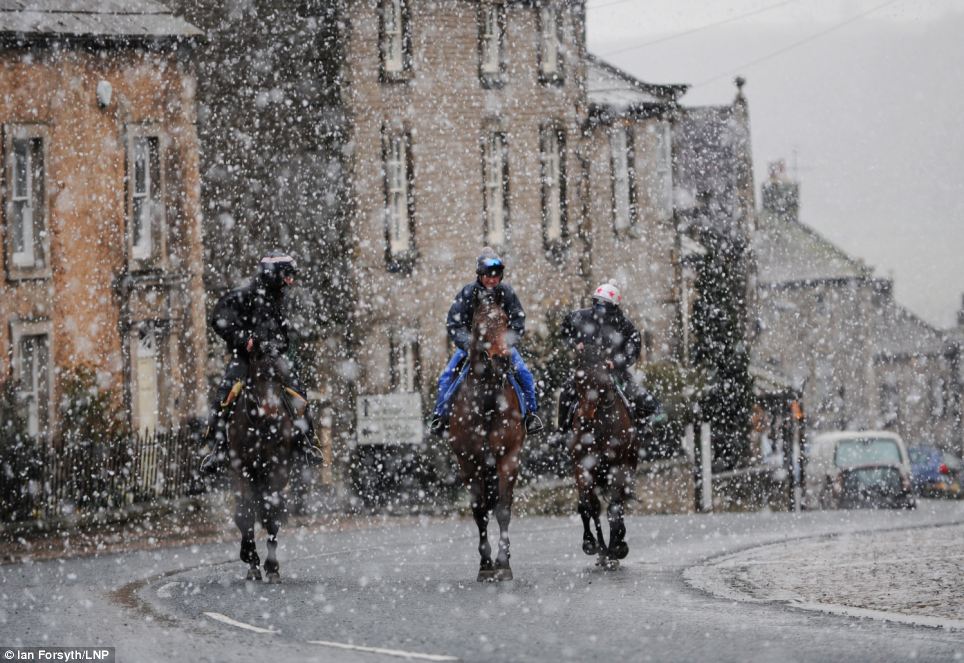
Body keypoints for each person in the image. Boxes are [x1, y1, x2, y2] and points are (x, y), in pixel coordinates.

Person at [199, 251, 325, 475]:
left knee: (299, 394)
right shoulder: (244, 294)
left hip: (274, 359)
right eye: (287, 275)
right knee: (224, 393)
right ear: (274, 274)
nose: (291, 281)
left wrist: (279, 344)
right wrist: (243, 339)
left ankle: (306, 444)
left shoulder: (282, 298)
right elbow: (219, 318)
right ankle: (217, 450)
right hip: (246, 360)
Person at [430, 247, 544, 436]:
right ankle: (440, 416)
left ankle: (531, 415)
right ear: (480, 275)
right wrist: (469, 345)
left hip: (500, 347)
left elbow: (518, 320)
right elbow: (454, 324)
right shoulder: (467, 293)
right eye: (488, 276)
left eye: (496, 276)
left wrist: (507, 342)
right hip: (473, 348)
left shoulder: (507, 292)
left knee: (524, 373)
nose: (492, 280)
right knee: (447, 377)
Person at [558, 281, 661, 435]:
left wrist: (615, 363)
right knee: (567, 392)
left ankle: (642, 426)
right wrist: (574, 344)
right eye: (596, 304)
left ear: (614, 307)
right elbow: (565, 329)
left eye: (603, 306)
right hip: (586, 369)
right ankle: (561, 431)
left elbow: (633, 350)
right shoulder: (580, 316)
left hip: (615, 372)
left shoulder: (625, 325)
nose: (599, 309)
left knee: (642, 398)